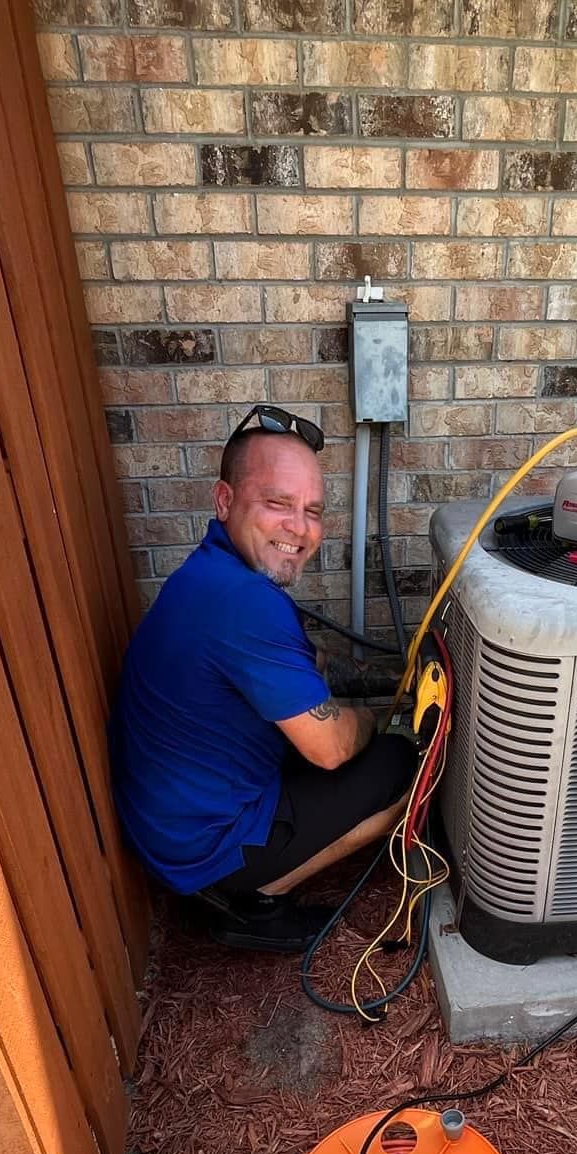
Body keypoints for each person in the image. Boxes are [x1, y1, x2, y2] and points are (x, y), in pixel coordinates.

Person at [110, 406, 417, 951]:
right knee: (400, 765)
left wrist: (394, 676)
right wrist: (377, 718)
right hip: (203, 848)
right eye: (278, 503)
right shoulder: (244, 603)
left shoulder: (213, 574)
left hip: (170, 822)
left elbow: (310, 663)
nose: (299, 528)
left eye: (313, 511)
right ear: (224, 500)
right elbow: (331, 749)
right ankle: (255, 900)